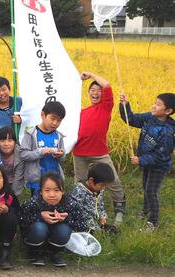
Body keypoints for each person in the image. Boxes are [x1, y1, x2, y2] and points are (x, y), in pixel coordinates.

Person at [73, 72, 126, 223]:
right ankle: (81, 208)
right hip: (80, 152)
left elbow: (107, 85)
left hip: (100, 152)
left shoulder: (105, 107)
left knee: (113, 179)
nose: (95, 93)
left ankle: (119, 207)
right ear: (88, 93)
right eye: (92, 90)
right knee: (80, 182)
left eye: (98, 90)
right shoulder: (81, 112)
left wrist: (90, 75)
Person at [119, 92, 175, 230]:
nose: (153, 106)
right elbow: (130, 119)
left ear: (168, 111)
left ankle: (152, 221)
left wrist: (141, 160)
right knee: (146, 188)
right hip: (147, 162)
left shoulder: (167, 132)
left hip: (159, 165)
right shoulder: (150, 118)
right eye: (154, 102)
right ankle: (145, 211)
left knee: (151, 190)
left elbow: (161, 156)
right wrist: (125, 105)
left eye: (158, 104)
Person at [20, 172, 86, 267]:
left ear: (63, 191)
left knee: (64, 230)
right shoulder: (34, 202)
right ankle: (35, 253)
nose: (52, 194)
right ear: (41, 192)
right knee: (39, 228)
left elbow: (82, 226)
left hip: (56, 234)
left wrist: (66, 219)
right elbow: (21, 220)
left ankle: (53, 253)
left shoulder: (70, 204)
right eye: (47, 190)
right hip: (37, 234)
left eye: (56, 190)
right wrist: (39, 216)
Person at [19, 101, 67, 196]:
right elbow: (23, 154)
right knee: (37, 206)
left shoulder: (58, 136)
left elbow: (62, 159)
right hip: (37, 180)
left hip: (55, 179)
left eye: (59, 120)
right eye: (52, 119)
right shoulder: (31, 134)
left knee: (53, 203)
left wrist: (61, 155)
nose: (55, 123)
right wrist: (41, 152)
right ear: (43, 115)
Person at [69, 163, 115, 232]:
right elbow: (76, 211)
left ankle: (100, 230)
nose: (103, 188)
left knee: (113, 230)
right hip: (83, 223)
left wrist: (103, 216)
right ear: (91, 181)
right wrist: (91, 224)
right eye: (102, 185)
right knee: (95, 233)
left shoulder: (99, 190)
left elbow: (100, 206)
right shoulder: (79, 190)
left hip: (95, 221)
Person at [0, 126, 25, 195]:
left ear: (15, 142)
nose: (6, 144)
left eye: (10, 140)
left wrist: (12, 196)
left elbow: (18, 177)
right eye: (2, 141)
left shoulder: (20, 154)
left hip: (13, 181)